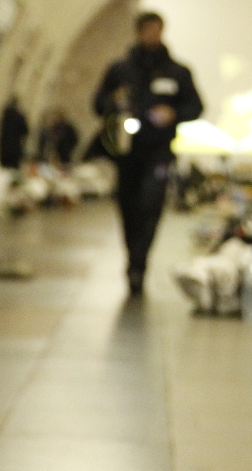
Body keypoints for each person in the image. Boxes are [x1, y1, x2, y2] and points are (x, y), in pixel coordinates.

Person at [93, 11, 202, 297]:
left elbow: (196, 106)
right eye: (147, 30)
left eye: (157, 30)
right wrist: (113, 102)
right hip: (127, 151)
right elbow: (97, 103)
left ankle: (140, 263)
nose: (152, 35)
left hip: (159, 151)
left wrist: (173, 113)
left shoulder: (177, 72)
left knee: (151, 205)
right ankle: (133, 259)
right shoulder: (120, 70)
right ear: (139, 32)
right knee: (128, 208)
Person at [0, 97, 28, 170]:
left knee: (3, 168)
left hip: (4, 146)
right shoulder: (20, 116)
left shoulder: (5, 115)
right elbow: (25, 131)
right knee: (13, 169)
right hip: (15, 146)